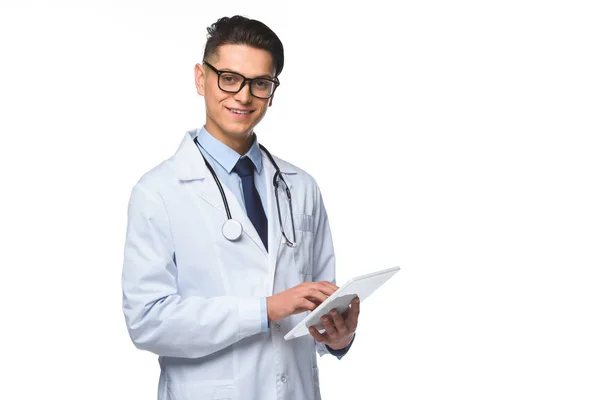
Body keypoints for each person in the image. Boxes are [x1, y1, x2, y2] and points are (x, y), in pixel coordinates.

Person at [121, 15, 359, 400]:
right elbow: (148, 321)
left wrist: (337, 337)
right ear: (201, 78)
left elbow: (317, 308)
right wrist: (264, 309)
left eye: (260, 83)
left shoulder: (301, 187)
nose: (244, 96)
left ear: (272, 90)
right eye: (229, 78)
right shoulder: (158, 192)